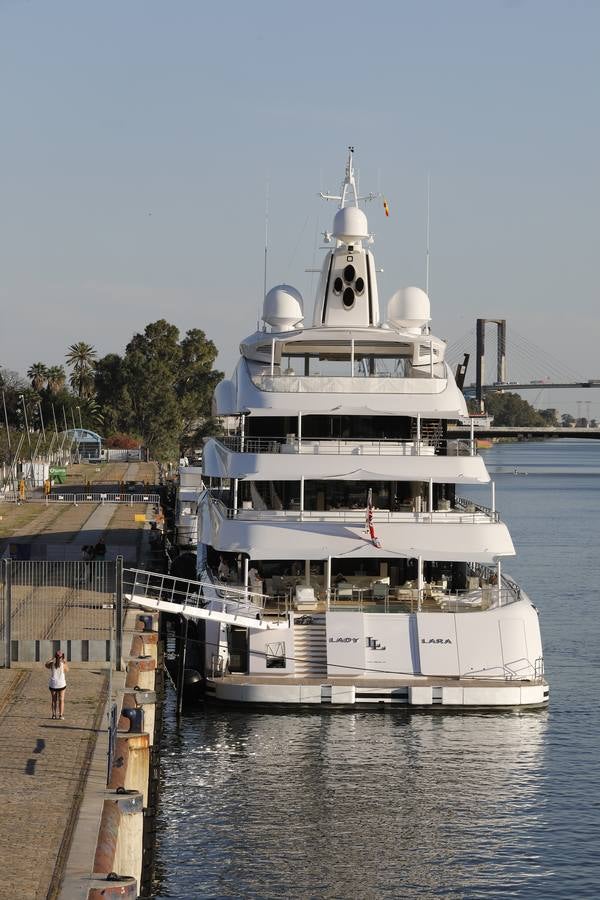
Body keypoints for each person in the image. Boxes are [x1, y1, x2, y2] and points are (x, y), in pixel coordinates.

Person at [45, 650, 69, 719]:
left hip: (53, 684)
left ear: (55, 656)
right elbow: (67, 670)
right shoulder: (63, 664)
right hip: (61, 684)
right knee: (61, 700)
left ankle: (53, 715)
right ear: (62, 657)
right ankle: (61, 715)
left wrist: (51, 659)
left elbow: (46, 665)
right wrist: (64, 661)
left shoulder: (52, 664)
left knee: (54, 700)